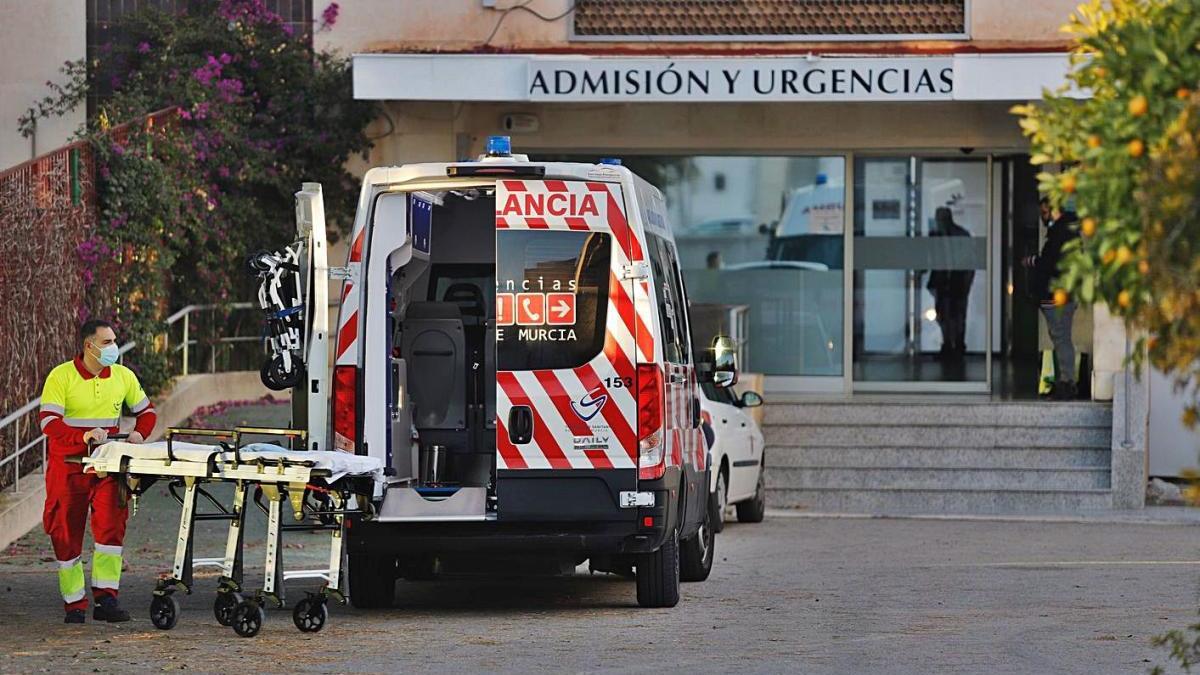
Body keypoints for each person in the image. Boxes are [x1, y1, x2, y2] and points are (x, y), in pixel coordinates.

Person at [38, 320, 157, 623]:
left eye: (114, 340)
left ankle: (107, 598)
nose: (113, 347)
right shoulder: (61, 376)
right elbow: (48, 422)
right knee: (65, 532)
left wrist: (139, 435)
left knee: (110, 530)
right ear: (88, 346)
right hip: (68, 470)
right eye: (107, 342)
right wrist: (83, 436)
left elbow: (147, 412)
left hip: (107, 467)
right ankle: (74, 603)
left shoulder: (123, 376)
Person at [1022, 204, 1081, 400]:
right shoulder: (1067, 232)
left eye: (1046, 212)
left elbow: (1051, 264)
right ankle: (1066, 382)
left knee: (1061, 339)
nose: (1043, 216)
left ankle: (1067, 383)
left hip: (1057, 295)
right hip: (1061, 295)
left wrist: (1032, 261)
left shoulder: (1060, 234)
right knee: (1061, 338)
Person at [926, 207, 974, 360]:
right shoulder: (938, 235)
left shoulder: (959, 235)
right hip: (946, 281)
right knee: (945, 315)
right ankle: (950, 346)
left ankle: (956, 346)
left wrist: (966, 283)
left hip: (957, 281)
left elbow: (969, 261)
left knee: (955, 315)